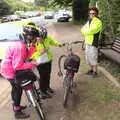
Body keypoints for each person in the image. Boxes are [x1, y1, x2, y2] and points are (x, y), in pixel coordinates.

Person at [0, 25, 39, 119]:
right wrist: (34, 64)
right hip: (10, 72)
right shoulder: (20, 46)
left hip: (7, 69)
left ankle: (15, 106)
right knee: (18, 89)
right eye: (34, 37)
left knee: (15, 88)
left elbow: (27, 56)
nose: (35, 39)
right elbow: (17, 66)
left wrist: (33, 46)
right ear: (28, 36)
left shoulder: (21, 42)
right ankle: (17, 111)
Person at [28, 24, 63, 99]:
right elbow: (30, 56)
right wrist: (40, 52)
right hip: (40, 62)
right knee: (43, 77)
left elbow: (52, 41)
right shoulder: (33, 43)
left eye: (44, 37)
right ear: (37, 36)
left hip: (48, 60)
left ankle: (47, 87)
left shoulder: (47, 38)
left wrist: (58, 44)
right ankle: (42, 92)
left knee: (48, 75)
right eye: (40, 38)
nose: (42, 39)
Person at [81, 7, 102, 77]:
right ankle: (91, 70)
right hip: (87, 42)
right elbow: (82, 29)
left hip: (93, 43)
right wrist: (86, 32)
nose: (91, 14)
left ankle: (95, 72)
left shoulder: (98, 21)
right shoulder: (89, 21)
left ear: (96, 14)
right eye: (90, 13)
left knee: (93, 57)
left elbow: (92, 30)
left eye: (93, 13)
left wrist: (86, 32)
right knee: (88, 57)